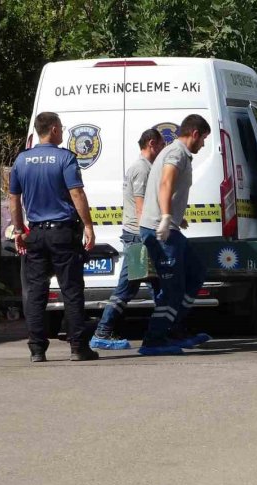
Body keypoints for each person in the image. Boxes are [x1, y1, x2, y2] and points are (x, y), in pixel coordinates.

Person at [9, 112, 99, 362]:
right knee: (71, 290)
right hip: (62, 233)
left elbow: (13, 198)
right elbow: (77, 194)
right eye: (61, 127)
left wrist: (19, 230)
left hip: (36, 234)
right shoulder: (65, 158)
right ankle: (78, 347)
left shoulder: (22, 160)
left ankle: (37, 349)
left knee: (36, 292)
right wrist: (88, 225)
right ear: (54, 129)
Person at [138, 114, 212, 356]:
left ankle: (175, 327)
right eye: (203, 139)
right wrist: (166, 216)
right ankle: (154, 339)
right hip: (161, 229)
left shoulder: (179, 153)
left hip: (171, 228)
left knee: (196, 272)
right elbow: (166, 183)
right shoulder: (176, 153)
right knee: (172, 287)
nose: (203, 144)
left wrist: (177, 217)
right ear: (195, 134)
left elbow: (169, 187)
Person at [89, 129, 168, 350]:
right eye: (161, 145)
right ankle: (102, 332)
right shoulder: (142, 169)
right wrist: (149, 235)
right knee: (128, 288)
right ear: (151, 143)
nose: (163, 149)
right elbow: (142, 207)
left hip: (139, 236)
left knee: (157, 287)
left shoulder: (145, 167)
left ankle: (166, 332)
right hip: (139, 238)